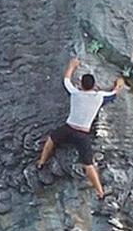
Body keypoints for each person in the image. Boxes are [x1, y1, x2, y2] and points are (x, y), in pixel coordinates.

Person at [37, 58, 125, 199]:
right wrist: (119, 83)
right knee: (88, 164)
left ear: (81, 85)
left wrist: (72, 65)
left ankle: (41, 162)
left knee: (51, 141)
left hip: (68, 128)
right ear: (94, 85)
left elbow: (66, 80)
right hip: (83, 134)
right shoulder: (100, 97)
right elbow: (115, 92)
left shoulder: (75, 93)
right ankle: (100, 192)